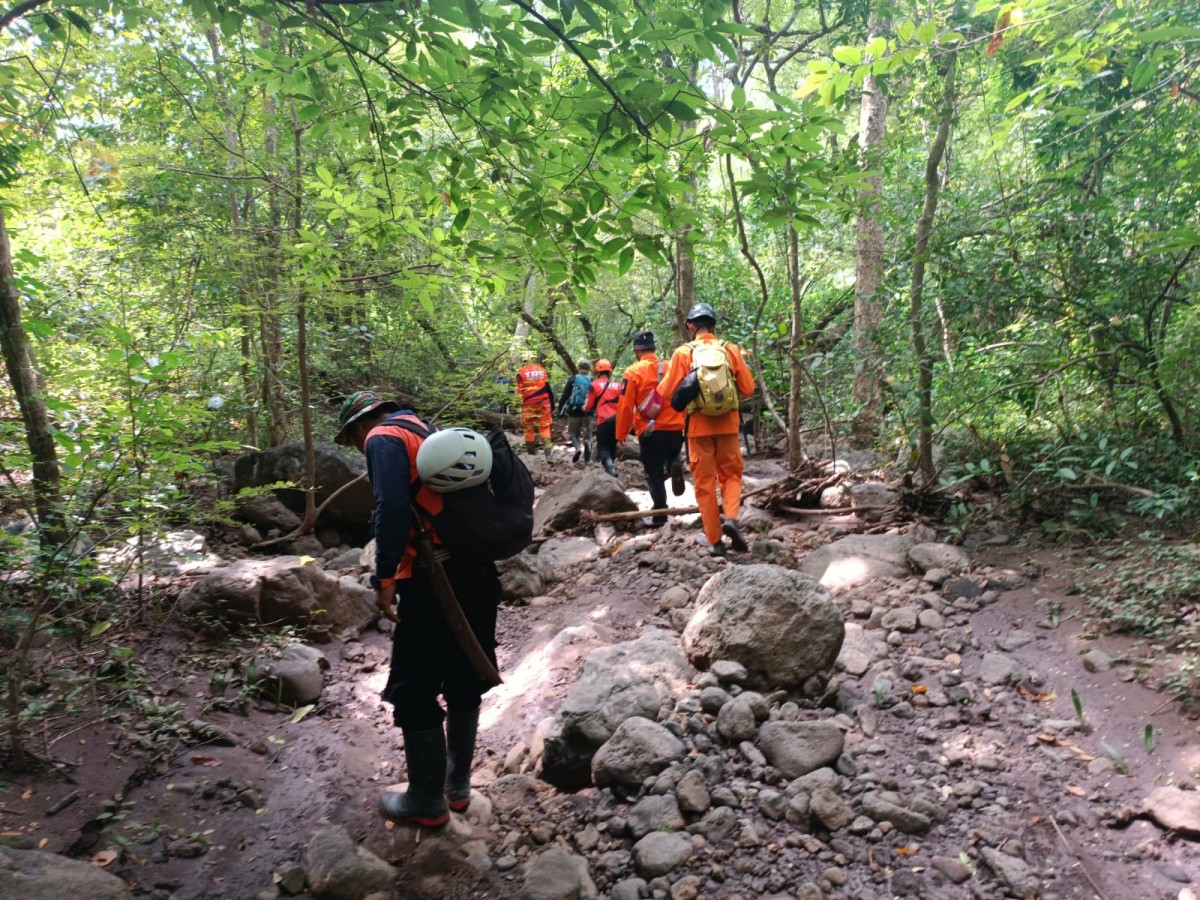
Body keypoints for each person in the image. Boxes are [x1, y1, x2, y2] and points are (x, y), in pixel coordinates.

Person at [334, 390, 501, 827]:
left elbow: (389, 507)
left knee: (414, 686)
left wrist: (384, 576)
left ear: (359, 426)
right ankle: (458, 788)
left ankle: (426, 802)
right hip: (478, 570)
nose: (356, 447)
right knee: (467, 672)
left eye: (351, 440)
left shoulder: (382, 439)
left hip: (433, 579)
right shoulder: (427, 431)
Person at [657, 304, 756, 556]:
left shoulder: (683, 353)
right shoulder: (729, 349)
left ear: (691, 326)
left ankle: (715, 541)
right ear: (714, 326)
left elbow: (665, 393)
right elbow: (748, 388)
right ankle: (731, 518)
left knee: (704, 483)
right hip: (729, 424)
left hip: (698, 428)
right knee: (732, 476)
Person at [615, 331, 686, 525]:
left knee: (653, 472)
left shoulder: (633, 372)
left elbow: (626, 405)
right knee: (672, 453)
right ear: (654, 348)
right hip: (675, 426)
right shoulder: (671, 366)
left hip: (650, 430)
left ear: (637, 351)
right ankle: (675, 463)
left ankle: (660, 514)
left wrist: (621, 432)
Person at [583, 358, 622, 476]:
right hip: (618, 419)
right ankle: (611, 467)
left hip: (604, 420)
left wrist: (584, 409)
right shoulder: (618, 385)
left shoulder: (594, 385)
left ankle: (610, 468)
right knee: (612, 445)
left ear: (597, 372)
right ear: (610, 372)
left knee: (603, 448)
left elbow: (588, 406)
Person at [515, 354, 555, 461]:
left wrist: (516, 404)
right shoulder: (542, 370)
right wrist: (553, 403)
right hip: (544, 403)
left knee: (528, 429)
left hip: (529, 404)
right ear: (533, 359)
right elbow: (548, 388)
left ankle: (531, 456)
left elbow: (519, 392)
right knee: (545, 427)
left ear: (523, 360)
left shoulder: (521, 372)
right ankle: (549, 455)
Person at [556, 359, 594, 464]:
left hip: (574, 412)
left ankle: (577, 448)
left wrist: (560, 411)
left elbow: (565, 396)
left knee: (573, 434)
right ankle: (588, 460)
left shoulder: (573, 379)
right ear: (589, 369)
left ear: (579, 367)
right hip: (588, 412)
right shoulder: (592, 380)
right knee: (588, 437)